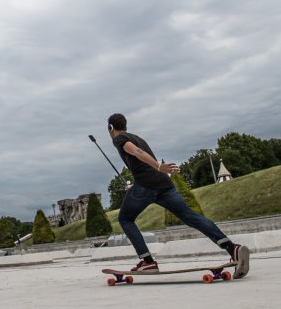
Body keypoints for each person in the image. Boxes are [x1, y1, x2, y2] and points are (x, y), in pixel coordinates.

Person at [107, 112, 249, 277]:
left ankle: (147, 262)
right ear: (125, 125)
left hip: (147, 185)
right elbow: (140, 161)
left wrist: (158, 166)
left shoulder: (119, 139)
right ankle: (232, 248)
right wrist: (138, 184)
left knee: (125, 219)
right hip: (163, 184)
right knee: (190, 216)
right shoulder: (137, 137)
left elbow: (137, 152)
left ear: (111, 128)